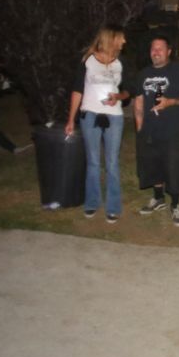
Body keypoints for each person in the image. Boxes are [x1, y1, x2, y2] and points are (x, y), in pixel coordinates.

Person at [65, 25, 130, 224]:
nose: (124, 41)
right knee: (93, 161)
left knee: (112, 162)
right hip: (90, 115)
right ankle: (92, 202)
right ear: (111, 38)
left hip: (114, 116)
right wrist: (71, 119)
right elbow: (77, 90)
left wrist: (118, 96)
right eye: (121, 38)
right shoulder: (88, 60)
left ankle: (113, 206)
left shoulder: (121, 62)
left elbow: (129, 90)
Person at [133, 36, 179, 226]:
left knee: (173, 167)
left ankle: (175, 204)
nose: (156, 52)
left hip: (173, 130)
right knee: (153, 165)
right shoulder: (143, 74)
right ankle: (158, 198)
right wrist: (140, 128)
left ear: (168, 51)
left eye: (160, 48)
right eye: (153, 49)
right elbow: (139, 102)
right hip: (149, 130)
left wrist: (171, 102)